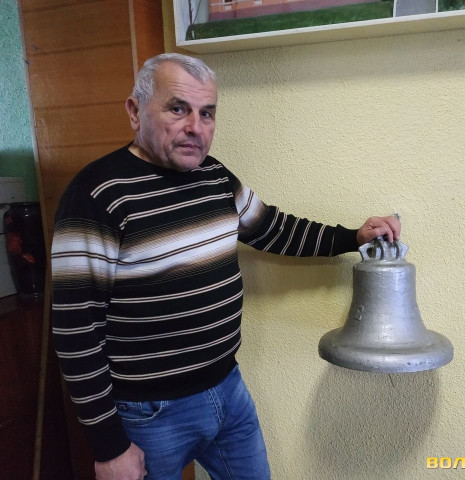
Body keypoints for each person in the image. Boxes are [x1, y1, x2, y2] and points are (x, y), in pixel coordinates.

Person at [51, 53, 400, 480]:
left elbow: (273, 229)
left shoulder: (214, 177)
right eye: (178, 108)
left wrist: (353, 237)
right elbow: (75, 328)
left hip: (227, 390)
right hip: (149, 413)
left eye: (207, 113)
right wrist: (108, 446)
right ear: (135, 111)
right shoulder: (96, 194)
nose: (195, 127)